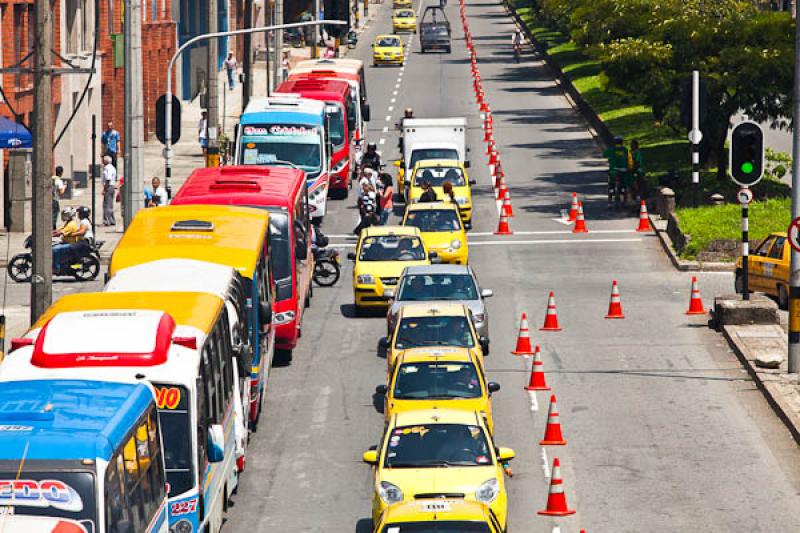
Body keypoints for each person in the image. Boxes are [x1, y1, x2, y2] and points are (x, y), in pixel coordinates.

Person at [603, 136, 629, 208]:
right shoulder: (625, 150)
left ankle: (610, 202)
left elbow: (604, 155)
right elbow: (627, 158)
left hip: (614, 170)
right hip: (623, 170)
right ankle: (625, 201)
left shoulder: (611, 150)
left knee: (611, 185)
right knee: (624, 184)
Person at [101, 155, 117, 226]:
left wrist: (105, 189)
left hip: (109, 187)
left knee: (106, 205)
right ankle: (111, 220)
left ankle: (107, 220)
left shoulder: (108, 168)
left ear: (105, 161)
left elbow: (108, 179)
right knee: (110, 204)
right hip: (111, 186)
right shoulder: (112, 167)